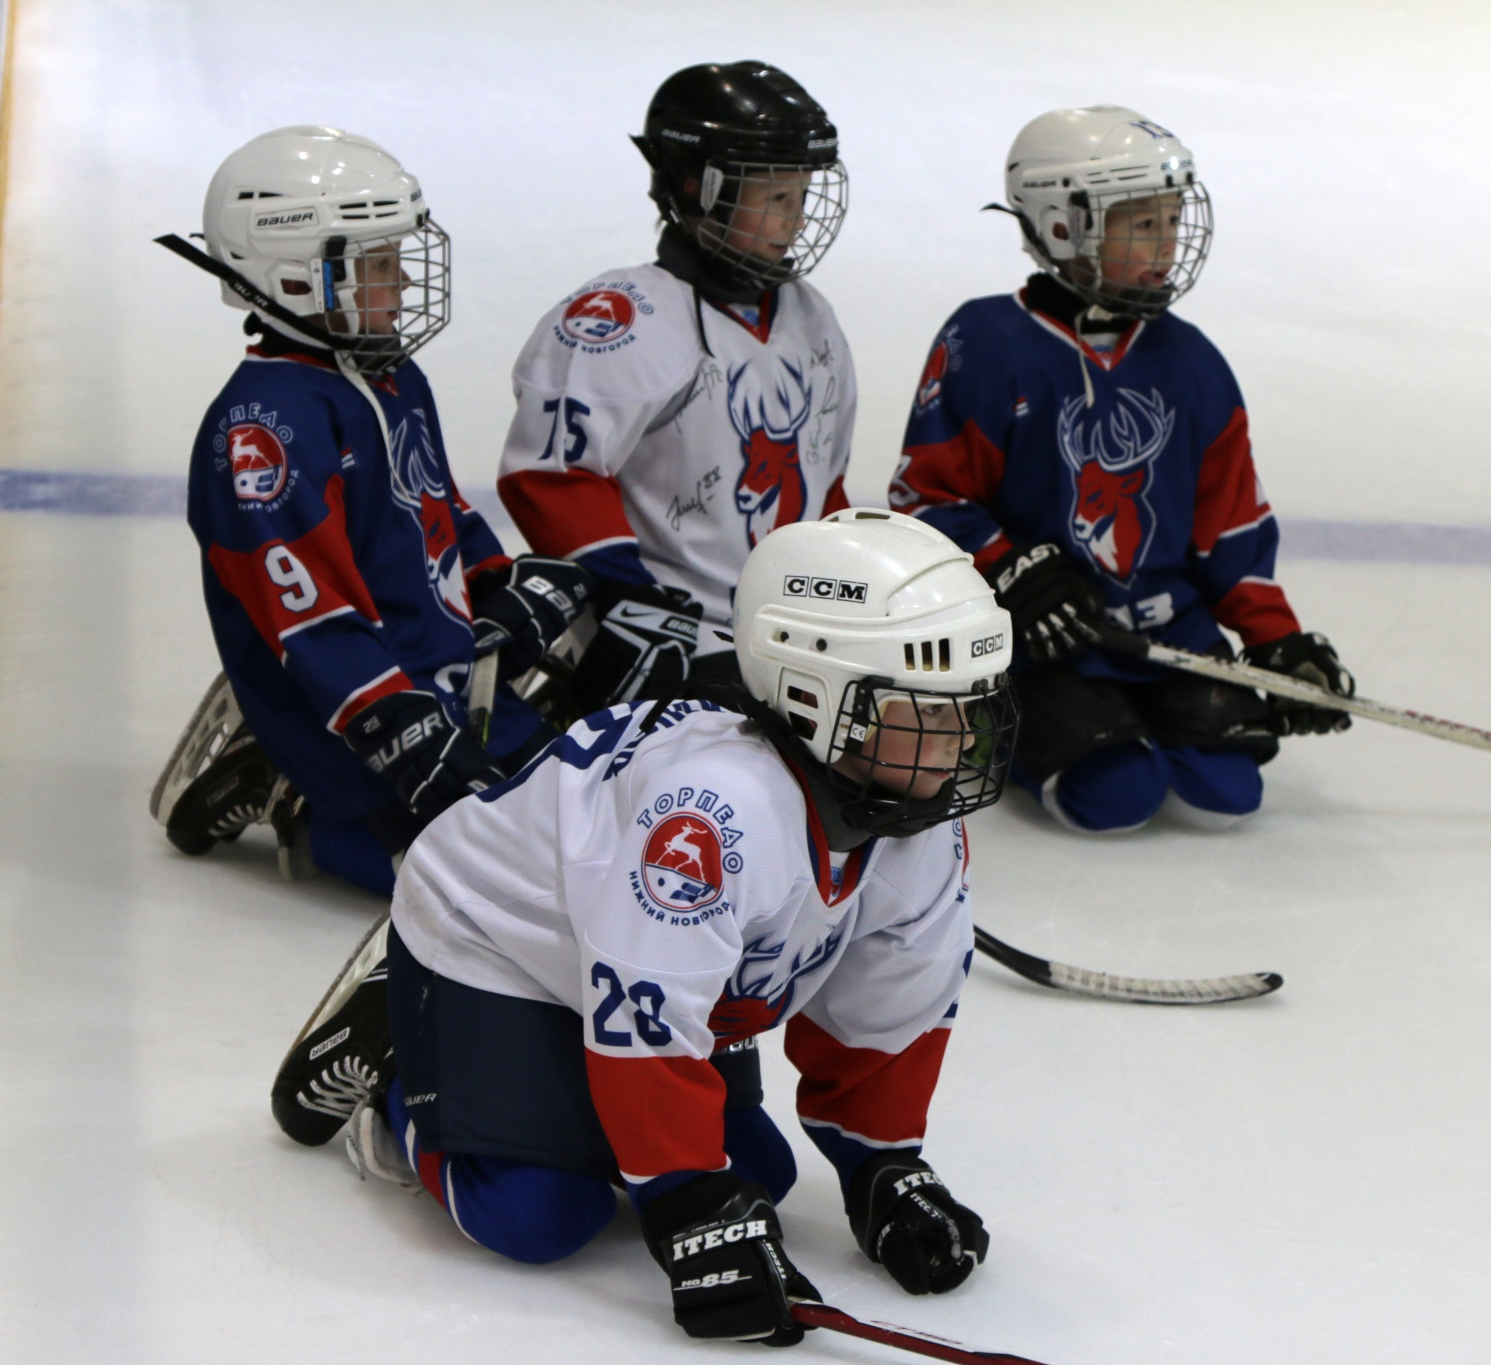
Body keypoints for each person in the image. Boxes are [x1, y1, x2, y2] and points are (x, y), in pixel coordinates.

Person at [269, 510, 1015, 1346]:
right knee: (539, 1214)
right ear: (816, 697)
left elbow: (890, 1009)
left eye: (971, 708)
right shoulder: (711, 817)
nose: (961, 742)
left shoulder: (917, 825)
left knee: (758, 1176)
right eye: (927, 711)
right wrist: (686, 1200)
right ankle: (398, 1074)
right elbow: (644, 1026)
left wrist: (881, 1166)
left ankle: (515, 1088)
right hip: (494, 942)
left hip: (611, 951)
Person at [888, 105, 1355, 835]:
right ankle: (991, 712)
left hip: (1170, 639)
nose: (1168, 245)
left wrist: (1276, 640)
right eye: (1143, 224)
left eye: (1172, 221)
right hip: (1051, 644)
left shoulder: (1192, 360)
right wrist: (1014, 570)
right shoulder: (986, 341)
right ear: (1062, 225)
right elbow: (926, 499)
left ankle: (1131, 717)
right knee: (1113, 797)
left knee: (1228, 793)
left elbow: (1229, 522)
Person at [152, 126, 588, 895]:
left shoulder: (389, 375)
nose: (404, 284)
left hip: (445, 687)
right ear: (295, 276)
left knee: (593, 817)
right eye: (379, 265)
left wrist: (496, 581)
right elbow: (306, 616)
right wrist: (391, 723)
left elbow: (432, 504)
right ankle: (289, 788)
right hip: (356, 733)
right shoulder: (263, 429)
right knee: (493, 893)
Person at [496, 61, 856, 720]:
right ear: (699, 190)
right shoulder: (622, 318)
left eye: (801, 197)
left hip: (789, 627)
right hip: (664, 627)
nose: (795, 221)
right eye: (776, 199)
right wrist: (630, 603)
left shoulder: (812, 318)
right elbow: (553, 476)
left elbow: (822, 480)